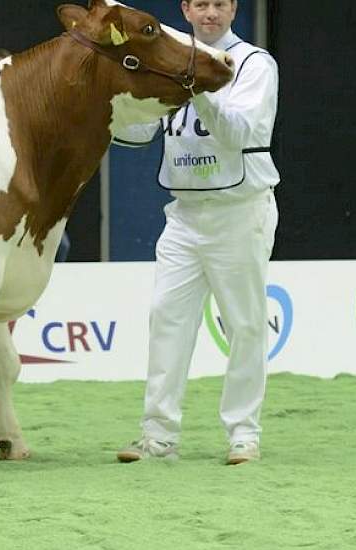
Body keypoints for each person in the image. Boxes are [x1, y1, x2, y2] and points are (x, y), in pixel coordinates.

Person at [112, 0, 280, 465]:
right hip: (184, 214)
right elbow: (142, 132)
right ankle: (159, 436)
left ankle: (244, 434)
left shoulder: (253, 64)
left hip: (239, 210)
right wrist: (111, 100)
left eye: (220, 4)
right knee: (166, 316)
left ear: (233, 9)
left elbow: (240, 132)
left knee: (244, 324)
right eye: (201, 3)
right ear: (185, 8)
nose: (210, 13)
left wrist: (199, 88)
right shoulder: (170, 62)